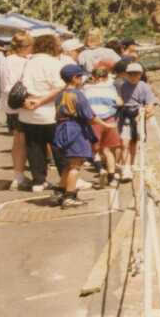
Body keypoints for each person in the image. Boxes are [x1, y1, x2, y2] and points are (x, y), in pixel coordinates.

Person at [18, 32, 68, 192]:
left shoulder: (27, 62)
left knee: (34, 147)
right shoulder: (54, 63)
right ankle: (66, 180)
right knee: (58, 147)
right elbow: (59, 87)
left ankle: (38, 181)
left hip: (28, 112)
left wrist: (31, 101)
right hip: (49, 112)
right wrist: (39, 101)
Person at [52, 64, 103, 209]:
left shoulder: (60, 94)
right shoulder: (77, 94)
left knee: (68, 165)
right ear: (75, 78)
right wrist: (106, 124)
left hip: (62, 128)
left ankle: (60, 192)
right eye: (80, 77)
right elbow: (89, 115)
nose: (82, 79)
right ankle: (70, 196)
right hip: (75, 129)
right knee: (75, 165)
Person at [0, 32, 33, 189]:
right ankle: (19, 177)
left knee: (17, 141)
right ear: (24, 47)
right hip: (20, 104)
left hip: (8, 104)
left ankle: (18, 175)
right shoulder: (23, 62)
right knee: (23, 141)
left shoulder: (6, 60)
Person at [84, 65, 123, 187]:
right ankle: (111, 177)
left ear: (93, 77)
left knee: (95, 150)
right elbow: (118, 103)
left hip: (94, 121)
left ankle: (101, 169)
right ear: (107, 77)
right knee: (108, 150)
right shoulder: (111, 88)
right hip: (109, 120)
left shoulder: (87, 89)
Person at [117, 62, 159, 173]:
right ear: (127, 75)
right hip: (125, 116)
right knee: (124, 143)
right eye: (130, 74)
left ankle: (132, 164)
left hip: (137, 116)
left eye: (135, 74)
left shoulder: (144, 87)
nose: (132, 77)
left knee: (134, 142)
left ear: (140, 74)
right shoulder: (124, 86)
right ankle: (126, 167)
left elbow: (151, 102)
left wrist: (147, 109)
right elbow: (121, 99)